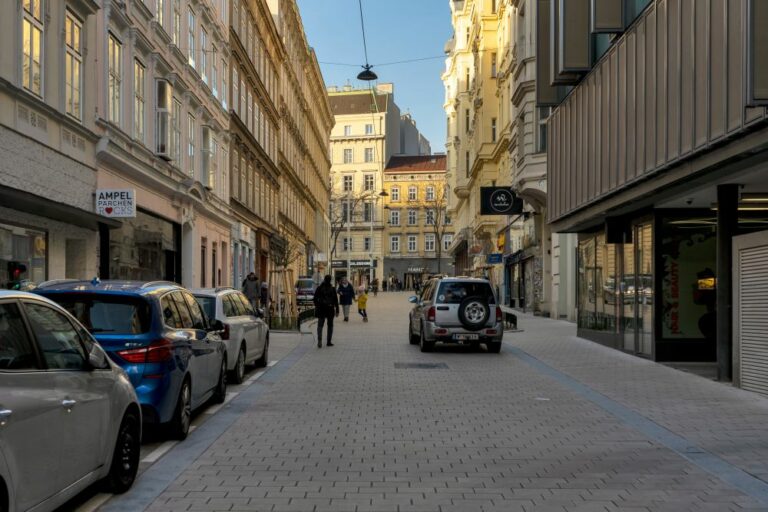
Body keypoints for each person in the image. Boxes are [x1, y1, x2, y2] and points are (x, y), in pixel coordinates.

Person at [313, 275, 339, 348]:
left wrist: (317, 305)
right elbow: (336, 300)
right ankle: (328, 341)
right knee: (330, 326)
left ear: (324, 279)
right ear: (330, 280)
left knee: (320, 325)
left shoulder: (319, 288)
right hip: (330, 309)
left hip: (321, 308)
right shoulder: (333, 289)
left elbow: (315, 298)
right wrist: (337, 310)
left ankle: (319, 341)